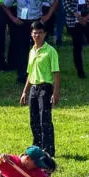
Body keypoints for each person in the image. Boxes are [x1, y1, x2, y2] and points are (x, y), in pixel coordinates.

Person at [3, 0, 57, 75]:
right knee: (21, 49)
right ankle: (22, 74)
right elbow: (5, 4)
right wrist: (13, 18)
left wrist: (47, 16)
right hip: (22, 22)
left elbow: (54, 0)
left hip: (36, 22)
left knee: (39, 48)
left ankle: (39, 72)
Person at [18, 23, 61, 157]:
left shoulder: (50, 51)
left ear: (44, 34)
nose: (37, 35)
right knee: (34, 119)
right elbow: (30, 74)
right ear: (31, 34)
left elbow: (56, 73)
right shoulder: (32, 51)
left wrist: (55, 92)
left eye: (40, 33)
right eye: (35, 33)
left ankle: (48, 149)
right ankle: (37, 147)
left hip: (45, 88)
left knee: (45, 119)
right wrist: (25, 91)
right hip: (34, 89)